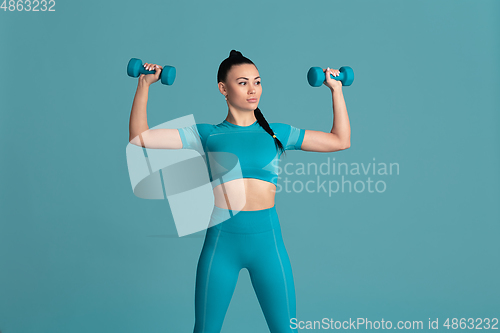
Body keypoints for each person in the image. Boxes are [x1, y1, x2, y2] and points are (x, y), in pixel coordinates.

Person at [128, 50, 350, 333]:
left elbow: (340, 140)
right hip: (222, 244)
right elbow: (140, 138)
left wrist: (336, 90)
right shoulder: (207, 134)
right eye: (243, 82)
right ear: (223, 88)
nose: (252, 89)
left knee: (286, 330)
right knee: (205, 330)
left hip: (267, 243)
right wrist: (144, 85)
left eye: (257, 82)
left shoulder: (276, 133)